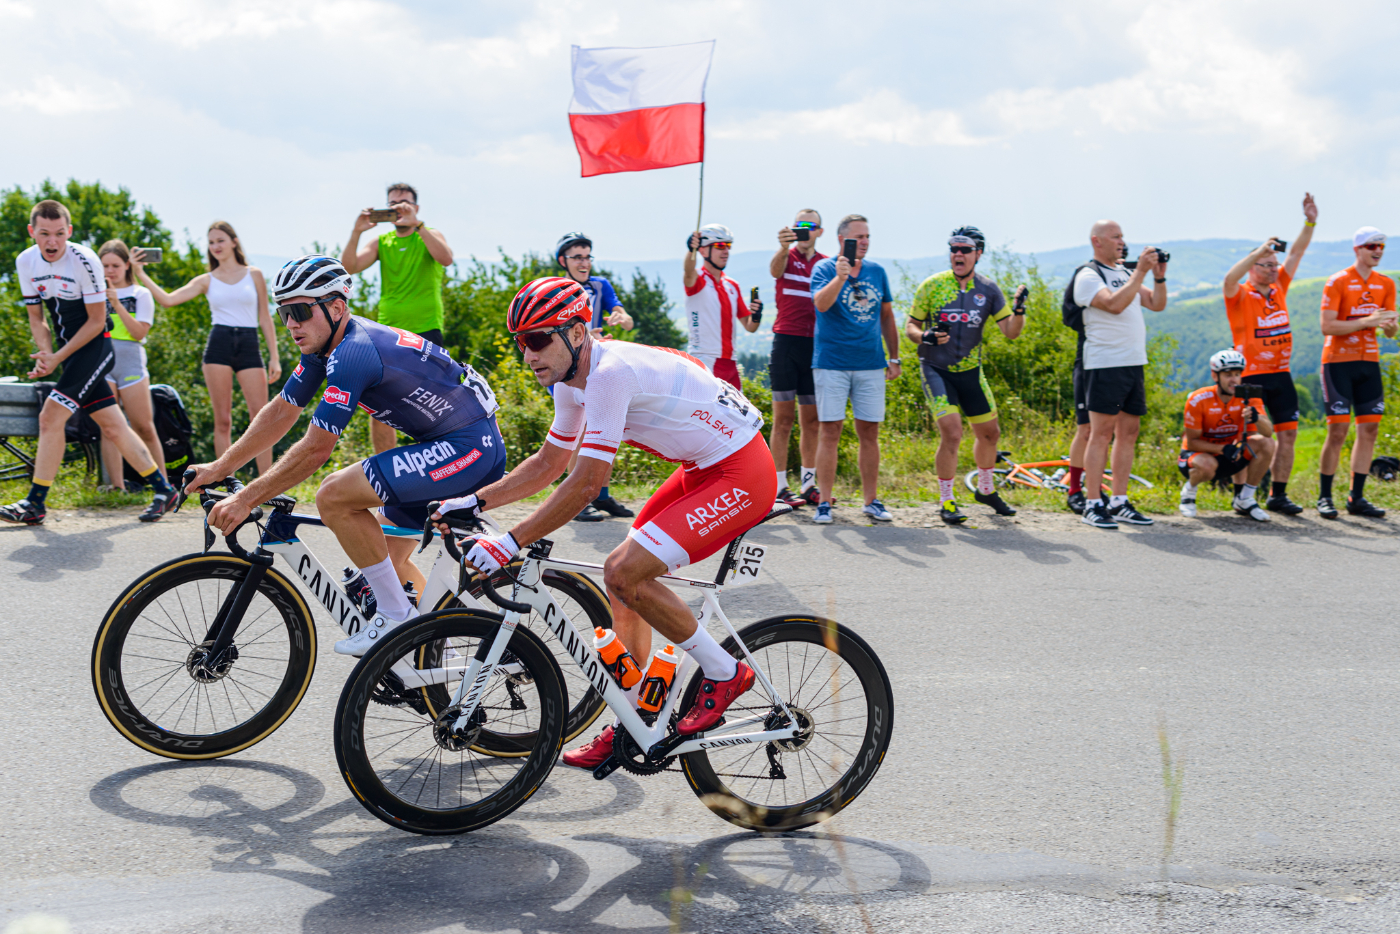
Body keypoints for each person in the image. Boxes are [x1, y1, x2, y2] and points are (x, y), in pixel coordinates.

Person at [428, 276, 776, 768]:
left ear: (575, 332)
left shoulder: (609, 373)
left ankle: (725, 672)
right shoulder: (570, 379)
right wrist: (474, 502)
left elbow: (587, 483)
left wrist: (510, 542)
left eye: (537, 339)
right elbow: (550, 465)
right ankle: (636, 720)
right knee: (622, 585)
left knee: (623, 571)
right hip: (702, 469)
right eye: (520, 342)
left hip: (743, 470)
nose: (528, 354)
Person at [191, 255, 507, 654]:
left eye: (300, 311)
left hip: (468, 448)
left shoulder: (354, 352)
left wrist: (245, 498)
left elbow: (316, 449)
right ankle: (446, 645)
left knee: (334, 495)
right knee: (386, 567)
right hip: (450, 445)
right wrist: (220, 467)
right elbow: (282, 411)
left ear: (336, 307)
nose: (290, 324)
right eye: (284, 312)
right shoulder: (325, 348)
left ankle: (397, 619)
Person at [1, 200, 177, 525]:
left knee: (49, 416)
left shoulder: (84, 259)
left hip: (96, 349)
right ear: (32, 232)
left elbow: (97, 322)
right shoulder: (25, 261)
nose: (52, 242)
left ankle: (36, 502)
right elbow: (36, 317)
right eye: (44, 234)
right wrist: (45, 353)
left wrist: (57, 358)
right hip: (69, 354)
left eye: (58, 234)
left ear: (68, 231)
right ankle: (163, 488)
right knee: (113, 425)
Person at [136, 220, 281, 475]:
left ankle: (266, 484)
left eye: (220, 240)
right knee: (223, 420)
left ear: (234, 242)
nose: (215, 246)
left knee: (260, 419)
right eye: (211, 242)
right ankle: (226, 482)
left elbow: (265, 318)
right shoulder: (207, 280)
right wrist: (141, 274)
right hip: (219, 346)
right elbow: (169, 300)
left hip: (249, 344)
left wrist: (274, 357)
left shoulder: (254, 274)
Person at [905, 226, 1026, 524]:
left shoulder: (988, 290)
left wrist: (1019, 311)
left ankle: (985, 490)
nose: (958, 254)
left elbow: (1010, 332)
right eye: (953, 249)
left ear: (978, 254)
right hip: (936, 369)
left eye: (965, 250)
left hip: (971, 371)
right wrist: (926, 337)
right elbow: (910, 327)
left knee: (990, 434)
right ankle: (946, 501)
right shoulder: (932, 286)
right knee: (953, 432)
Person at [1221, 193, 1319, 515]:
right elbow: (1229, 279)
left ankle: (1277, 495)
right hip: (1250, 376)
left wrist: (1310, 221)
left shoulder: (1279, 288)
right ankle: (1242, 494)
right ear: (1254, 266)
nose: (1275, 269)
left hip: (1280, 373)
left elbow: (1298, 251)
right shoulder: (1240, 294)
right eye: (1267, 265)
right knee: (1250, 437)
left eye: (1275, 265)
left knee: (1288, 435)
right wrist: (1259, 251)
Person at [341, 183, 455, 455]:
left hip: (427, 329)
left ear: (415, 208)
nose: (399, 208)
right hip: (388, 333)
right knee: (380, 405)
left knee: (433, 405)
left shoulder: (428, 234)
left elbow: (446, 258)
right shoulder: (382, 242)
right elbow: (349, 268)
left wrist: (419, 225)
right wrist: (356, 232)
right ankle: (386, 474)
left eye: (404, 203)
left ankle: (436, 469)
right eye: (393, 204)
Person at [1073, 221, 1169, 530]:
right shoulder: (1088, 275)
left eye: (1122, 236)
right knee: (1101, 433)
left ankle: (1119, 500)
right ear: (1097, 241)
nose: (1121, 241)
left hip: (1133, 362)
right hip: (1104, 363)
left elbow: (1156, 304)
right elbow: (1113, 305)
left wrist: (1159, 276)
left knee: (1129, 433)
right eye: (1115, 236)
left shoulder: (1126, 274)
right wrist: (1140, 271)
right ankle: (1092, 502)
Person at [808, 214, 900, 524]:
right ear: (842, 240)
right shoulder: (824, 268)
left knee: (869, 432)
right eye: (858, 237)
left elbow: (887, 316)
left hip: (871, 363)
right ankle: (824, 502)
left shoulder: (877, 271)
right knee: (829, 431)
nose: (864, 242)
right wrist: (841, 277)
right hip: (832, 363)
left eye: (867, 237)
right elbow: (820, 304)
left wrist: (895, 356)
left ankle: (871, 501)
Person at [1315, 227, 1399, 519]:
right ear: (1357, 249)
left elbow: (1389, 329)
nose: (1377, 250)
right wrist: (1368, 321)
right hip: (1338, 362)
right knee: (1337, 431)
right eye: (1371, 246)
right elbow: (1328, 326)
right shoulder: (1338, 281)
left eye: (1381, 247)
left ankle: (1356, 497)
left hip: (1369, 362)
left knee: (1370, 430)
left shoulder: (1386, 284)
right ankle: (1325, 496)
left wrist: (1388, 326)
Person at [554, 231, 635, 522]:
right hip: (568, 368)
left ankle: (600, 495)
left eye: (587, 256)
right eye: (577, 257)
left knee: (608, 425)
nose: (584, 262)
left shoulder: (600, 285)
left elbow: (624, 315)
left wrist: (621, 318)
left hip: (597, 364)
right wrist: (585, 335)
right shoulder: (558, 289)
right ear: (564, 261)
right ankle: (574, 499)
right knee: (579, 432)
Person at [767, 210, 826, 508]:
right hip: (786, 343)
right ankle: (778, 486)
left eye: (810, 226)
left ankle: (808, 484)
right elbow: (775, 272)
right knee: (783, 420)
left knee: (812, 421)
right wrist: (781, 247)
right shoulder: (786, 257)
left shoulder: (825, 263)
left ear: (820, 231)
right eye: (799, 226)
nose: (804, 231)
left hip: (814, 347)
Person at [1177, 350, 1276, 522]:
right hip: (1197, 456)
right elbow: (1192, 442)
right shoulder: (1198, 399)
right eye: (1228, 375)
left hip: (1229, 454)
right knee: (1207, 465)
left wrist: (1256, 417)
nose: (1234, 380)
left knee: (1266, 443)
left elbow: (1268, 432)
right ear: (1215, 376)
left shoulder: (1248, 398)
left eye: (1237, 374)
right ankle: (1189, 491)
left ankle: (1245, 498)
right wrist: (1223, 448)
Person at [96, 240, 163, 489]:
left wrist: (115, 303)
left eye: (115, 265)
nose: (109, 271)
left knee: (144, 427)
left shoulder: (140, 294)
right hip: (104, 363)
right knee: (110, 427)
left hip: (131, 364)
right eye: (104, 266)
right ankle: (117, 487)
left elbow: (137, 333)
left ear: (126, 265)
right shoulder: (95, 293)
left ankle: (163, 487)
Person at [683, 224, 761, 388]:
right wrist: (691, 250)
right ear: (703, 251)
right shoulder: (698, 279)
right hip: (704, 360)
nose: (726, 251)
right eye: (719, 246)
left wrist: (757, 315)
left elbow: (750, 326)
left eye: (728, 246)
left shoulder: (732, 285)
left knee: (735, 414)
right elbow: (688, 272)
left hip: (730, 363)